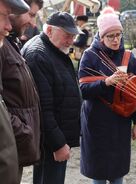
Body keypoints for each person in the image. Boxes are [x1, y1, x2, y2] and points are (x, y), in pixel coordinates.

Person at [78, 6, 136, 184]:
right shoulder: (89, 56)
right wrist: (105, 82)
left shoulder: (129, 57)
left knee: (117, 173)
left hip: (120, 123)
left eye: (118, 35)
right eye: (110, 36)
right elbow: (83, 91)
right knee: (98, 175)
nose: (116, 40)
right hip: (96, 123)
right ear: (101, 36)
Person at [21, 11, 82, 184]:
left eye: (73, 36)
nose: (71, 41)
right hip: (50, 141)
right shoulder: (39, 55)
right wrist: (58, 143)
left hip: (55, 135)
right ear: (49, 31)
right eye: (67, 35)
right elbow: (43, 108)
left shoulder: (51, 49)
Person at [0, 0, 43, 182]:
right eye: (31, 15)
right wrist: (23, 132)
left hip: (11, 152)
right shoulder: (2, 48)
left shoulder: (10, 44)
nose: (33, 24)